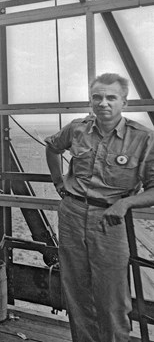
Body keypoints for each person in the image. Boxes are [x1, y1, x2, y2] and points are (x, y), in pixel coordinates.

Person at [45, 72, 154, 342]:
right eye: (97, 97)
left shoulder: (143, 138)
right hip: (72, 214)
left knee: (112, 297)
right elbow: (52, 147)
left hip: (109, 221)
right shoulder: (77, 128)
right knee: (77, 292)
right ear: (91, 100)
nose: (103, 103)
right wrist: (59, 182)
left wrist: (126, 203)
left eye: (111, 97)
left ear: (124, 103)